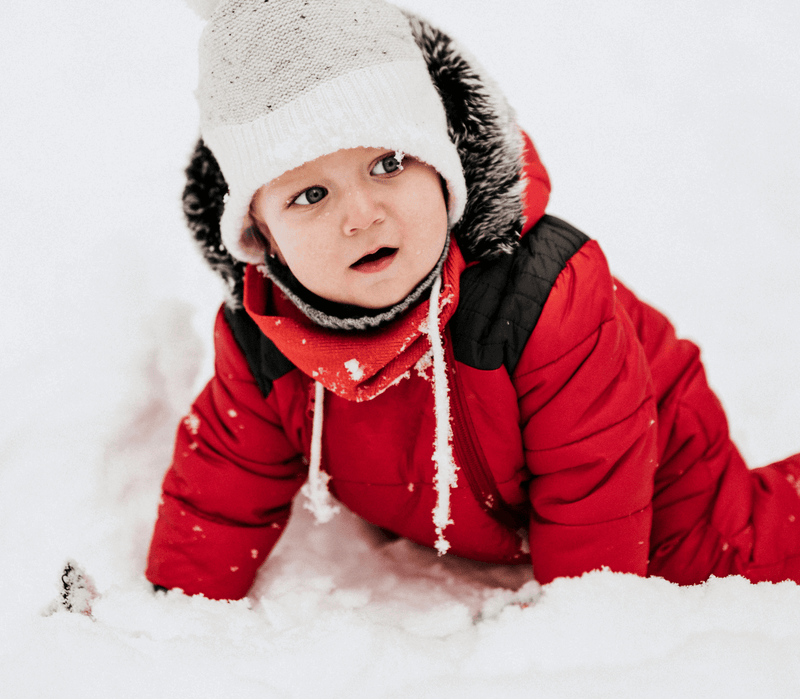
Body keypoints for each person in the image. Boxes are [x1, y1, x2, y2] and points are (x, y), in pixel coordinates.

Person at [146, 0, 800, 600]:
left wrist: (583, 629)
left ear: (445, 167)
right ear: (263, 239)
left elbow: (593, 485)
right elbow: (221, 491)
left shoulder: (541, 299)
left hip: (655, 479)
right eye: (311, 196)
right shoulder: (264, 340)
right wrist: (178, 603)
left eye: (390, 164)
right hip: (485, 516)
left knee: (715, 563)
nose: (363, 215)